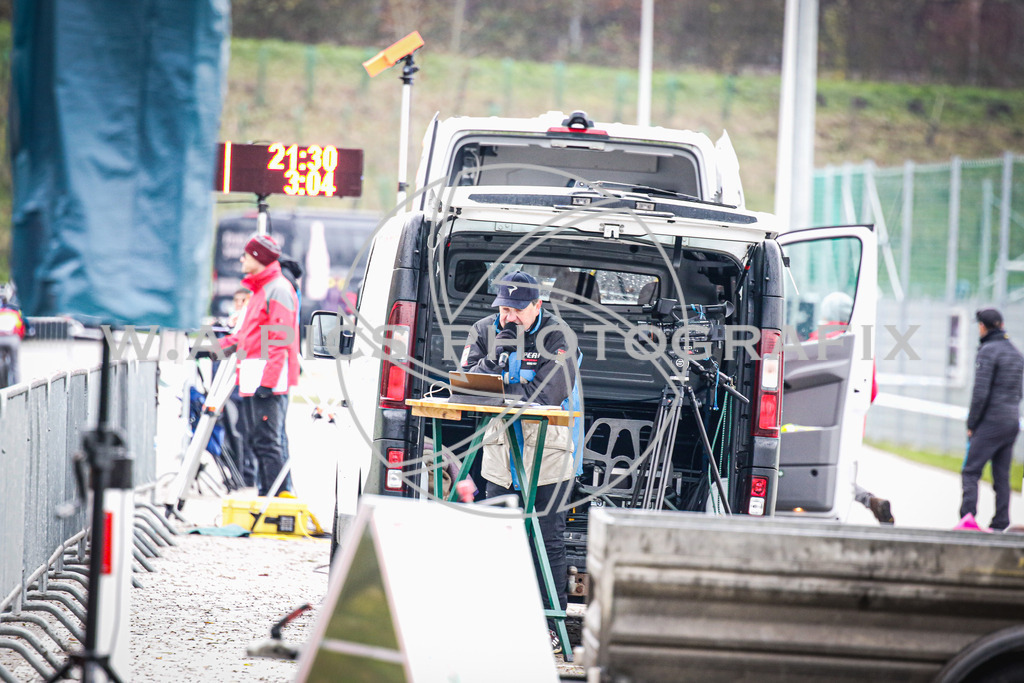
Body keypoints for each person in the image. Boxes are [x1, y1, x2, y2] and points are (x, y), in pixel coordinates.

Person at [459, 270, 582, 654]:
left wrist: (496, 381)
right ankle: (499, 622)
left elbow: (547, 394)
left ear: (536, 306)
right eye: (503, 308)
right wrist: (495, 369)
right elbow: (465, 384)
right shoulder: (483, 328)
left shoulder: (560, 336)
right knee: (501, 537)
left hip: (548, 453)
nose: (508, 316)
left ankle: (550, 624)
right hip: (500, 453)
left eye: (516, 309)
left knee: (547, 538)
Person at [219, 235, 300, 497]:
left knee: (268, 443)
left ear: (259, 257)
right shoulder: (260, 289)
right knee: (258, 440)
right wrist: (211, 348)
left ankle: (276, 502)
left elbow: (279, 339)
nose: (242, 259)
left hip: (267, 381)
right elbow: (246, 336)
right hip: (255, 376)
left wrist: (268, 381)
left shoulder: (277, 288)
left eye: (246, 254)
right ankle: (269, 497)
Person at [808, 291, 894, 524]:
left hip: (817, 423)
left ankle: (845, 509)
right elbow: (871, 390)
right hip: (853, 423)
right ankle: (868, 500)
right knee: (842, 470)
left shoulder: (817, 339)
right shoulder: (861, 342)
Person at [960, 306, 1024, 531]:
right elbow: (1019, 392)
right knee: (1001, 475)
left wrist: (972, 424)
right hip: (1011, 421)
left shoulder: (987, 351)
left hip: (991, 421)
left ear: (982, 327)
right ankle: (1000, 522)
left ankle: (967, 519)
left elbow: (980, 393)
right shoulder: (1016, 353)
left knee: (970, 471)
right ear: (1002, 325)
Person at [0, 284, 26, 388]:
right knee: (14, 364)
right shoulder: (15, 312)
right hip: (12, 339)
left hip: (1, 339)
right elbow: (21, 327)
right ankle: (17, 386)